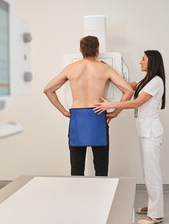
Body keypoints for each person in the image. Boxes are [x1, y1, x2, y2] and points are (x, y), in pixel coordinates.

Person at [94, 50, 166, 224]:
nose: (140, 62)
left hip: (151, 132)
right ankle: (152, 205)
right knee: (147, 171)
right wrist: (107, 69)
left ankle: (156, 215)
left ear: (152, 62)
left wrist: (110, 105)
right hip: (144, 131)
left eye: (143, 59)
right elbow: (126, 86)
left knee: (152, 173)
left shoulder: (156, 81)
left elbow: (136, 102)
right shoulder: (145, 80)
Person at [43, 36, 133, 176]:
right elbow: (129, 90)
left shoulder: (70, 69)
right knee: (101, 168)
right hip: (97, 115)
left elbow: (48, 90)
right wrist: (116, 112)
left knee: (77, 169)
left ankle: (78, 197)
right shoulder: (105, 69)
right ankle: (102, 197)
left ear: (80, 50)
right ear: (97, 50)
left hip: (77, 118)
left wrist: (63, 111)